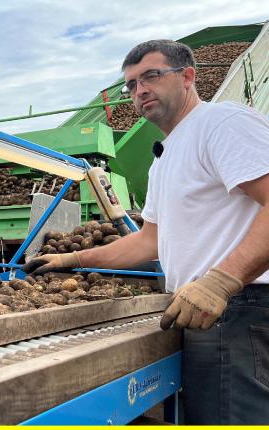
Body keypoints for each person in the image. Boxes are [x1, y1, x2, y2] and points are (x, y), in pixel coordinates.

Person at [23, 40, 269, 424]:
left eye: (151, 76)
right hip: (199, 309)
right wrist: (72, 259)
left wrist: (222, 281)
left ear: (188, 76)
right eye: (131, 85)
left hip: (239, 305)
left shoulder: (221, 123)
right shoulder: (164, 157)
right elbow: (147, 241)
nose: (140, 91)